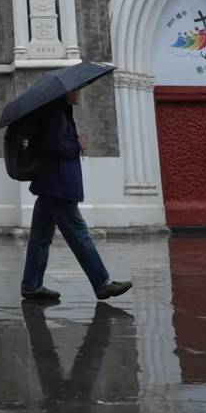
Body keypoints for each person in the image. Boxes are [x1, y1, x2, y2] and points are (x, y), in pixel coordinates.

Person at [20, 88, 132, 303]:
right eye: (76, 91)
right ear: (66, 92)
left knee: (40, 238)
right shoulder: (55, 113)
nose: (79, 94)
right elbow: (53, 145)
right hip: (58, 185)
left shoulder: (58, 110)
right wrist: (77, 145)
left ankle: (31, 285)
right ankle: (102, 284)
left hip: (50, 184)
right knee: (79, 234)